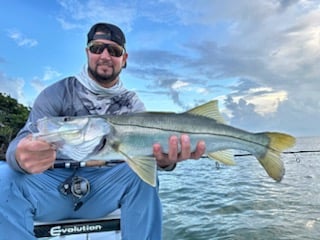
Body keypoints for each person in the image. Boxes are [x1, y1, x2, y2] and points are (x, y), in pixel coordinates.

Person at [0, 22, 206, 240]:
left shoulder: (132, 104)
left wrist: (166, 162)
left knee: (144, 177)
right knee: (3, 175)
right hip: (50, 189)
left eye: (114, 51)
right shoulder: (57, 93)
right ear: (87, 52)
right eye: (98, 48)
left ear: (124, 59)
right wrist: (20, 155)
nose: (105, 56)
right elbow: (22, 140)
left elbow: (147, 156)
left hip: (104, 190)